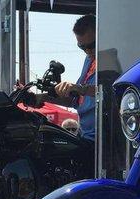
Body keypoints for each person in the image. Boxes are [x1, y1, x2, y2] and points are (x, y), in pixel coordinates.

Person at [28, 14, 97, 142]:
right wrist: (42, 97)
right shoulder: (88, 61)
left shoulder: (109, 60)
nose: (87, 51)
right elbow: (74, 100)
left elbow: (108, 90)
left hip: (101, 139)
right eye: (82, 47)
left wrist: (80, 88)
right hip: (85, 136)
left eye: (91, 45)